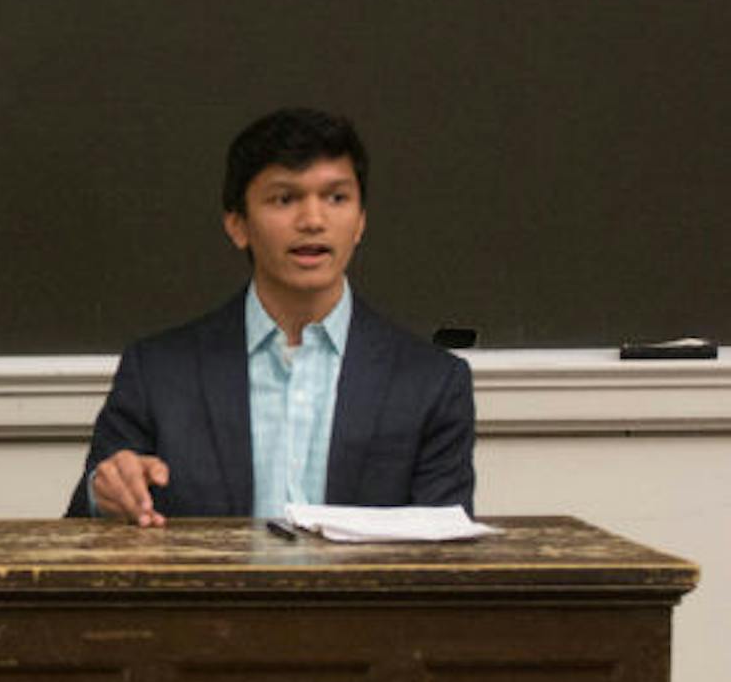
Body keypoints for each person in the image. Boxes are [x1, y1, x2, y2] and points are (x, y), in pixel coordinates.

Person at [66, 107, 474, 525]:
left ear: (360, 222)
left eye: (336, 198)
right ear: (237, 224)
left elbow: (444, 562)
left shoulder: (431, 383)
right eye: (285, 199)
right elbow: (81, 529)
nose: (313, 221)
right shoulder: (157, 372)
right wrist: (107, 492)